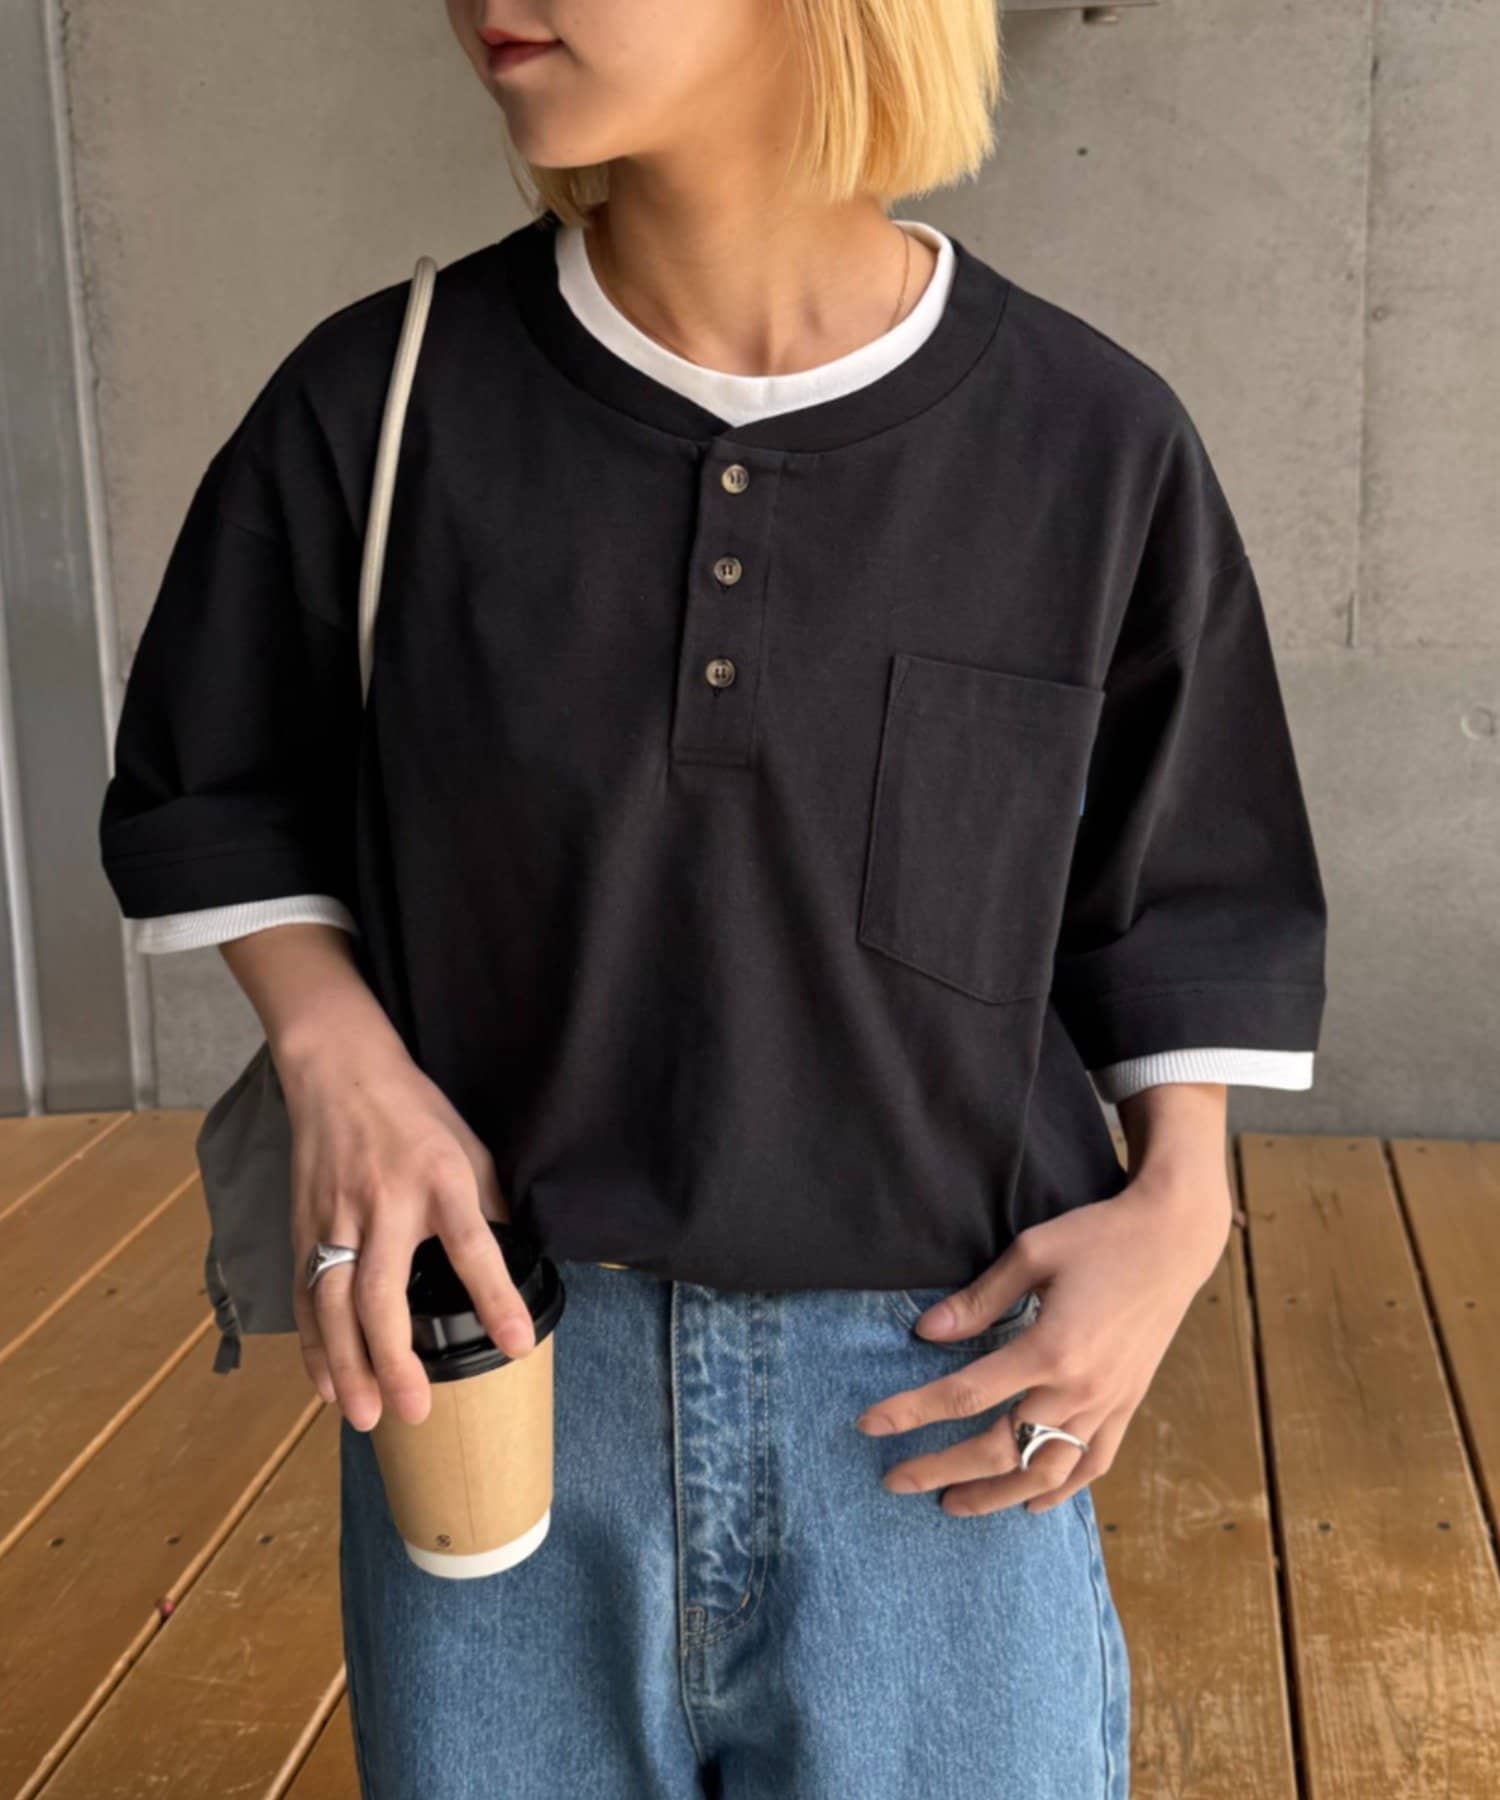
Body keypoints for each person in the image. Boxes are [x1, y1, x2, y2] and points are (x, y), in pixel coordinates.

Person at [97, 1, 1328, 1794]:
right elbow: (213, 785)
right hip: (500, 1374)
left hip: (939, 1406)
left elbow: (1192, 891)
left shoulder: (1091, 441)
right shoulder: (383, 401)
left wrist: (1186, 1206)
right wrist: (335, 1059)